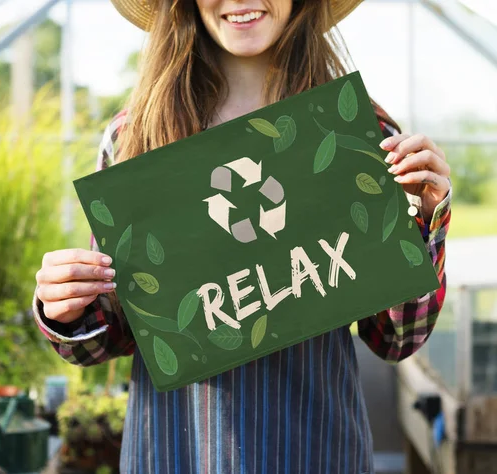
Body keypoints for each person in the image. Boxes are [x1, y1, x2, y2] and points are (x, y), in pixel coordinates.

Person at [33, 0, 452, 472]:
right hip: (179, 451)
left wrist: (425, 222)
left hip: (314, 449)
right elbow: (114, 333)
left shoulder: (359, 133)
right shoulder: (136, 138)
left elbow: (395, 338)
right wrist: (66, 306)